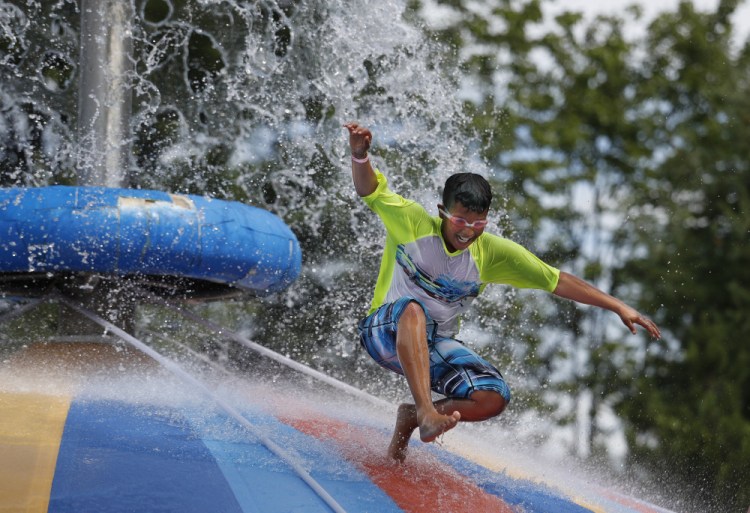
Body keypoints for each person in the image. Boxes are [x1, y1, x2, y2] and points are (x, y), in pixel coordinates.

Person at [344, 122, 661, 462]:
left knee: (493, 396)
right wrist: (360, 156)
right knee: (412, 310)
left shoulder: (491, 254)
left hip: (431, 348)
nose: (468, 232)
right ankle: (425, 413)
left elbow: (556, 280)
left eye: (478, 224)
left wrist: (617, 306)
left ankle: (413, 416)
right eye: (461, 221)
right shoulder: (413, 222)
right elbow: (370, 191)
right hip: (384, 332)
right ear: (442, 213)